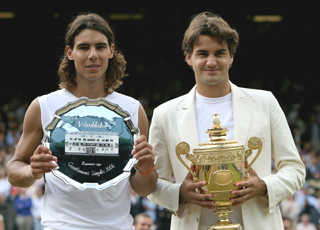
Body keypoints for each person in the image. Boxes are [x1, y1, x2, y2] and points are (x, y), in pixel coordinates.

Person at [147, 11, 305, 230]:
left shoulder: (265, 102)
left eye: (219, 53)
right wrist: (179, 193)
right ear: (188, 57)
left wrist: (264, 186)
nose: (211, 62)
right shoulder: (165, 114)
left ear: (231, 57)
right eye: (202, 53)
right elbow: (152, 184)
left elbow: (295, 169)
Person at [6, 13, 157, 230]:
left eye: (100, 47)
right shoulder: (43, 106)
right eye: (84, 47)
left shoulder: (133, 110)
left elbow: (144, 188)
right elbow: (14, 170)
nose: (93, 55)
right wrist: (32, 171)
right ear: (70, 52)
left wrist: (145, 169)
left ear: (111, 50)